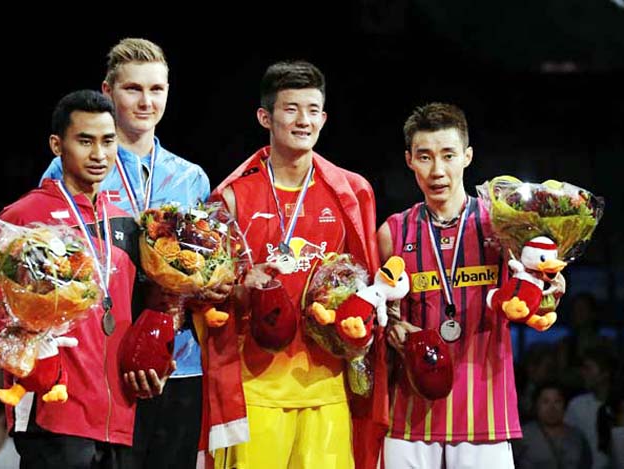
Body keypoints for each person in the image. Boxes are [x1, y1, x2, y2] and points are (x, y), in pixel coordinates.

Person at [39, 38, 211, 468]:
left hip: (179, 363)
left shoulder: (191, 178)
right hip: (102, 368)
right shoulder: (70, 168)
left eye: (157, 89)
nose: (146, 101)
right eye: (133, 89)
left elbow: (206, 265)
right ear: (108, 91)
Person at [210, 60, 380, 468]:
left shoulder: (351, 194)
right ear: (265, 117)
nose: (303, 121)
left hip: (327, 386)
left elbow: (368, 283)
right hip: (256, 389)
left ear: (323, 117)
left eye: (312, 110)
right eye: (290, 109)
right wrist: (241, 284)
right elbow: (209, 297)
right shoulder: (233, 197)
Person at [0, 89, 139, 468]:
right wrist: (19, 349)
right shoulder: (25, 218)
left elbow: (136, 308)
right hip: (52, 410)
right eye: (84, 141)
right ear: (57, 145)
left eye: (108, 141)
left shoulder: (124, 220)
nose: (99, 154)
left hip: (118, 416)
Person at [378, 102, 519, 468]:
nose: (437, 171)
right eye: (425, 157)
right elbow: (378, 310)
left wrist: (551, 285)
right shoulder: (392, 232)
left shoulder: (501, 227)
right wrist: (391, 326)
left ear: (467, 156)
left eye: (448, 155)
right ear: (409, 159)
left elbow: (538, 294)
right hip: (408, 418)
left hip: (485, 416)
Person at [513, 381, 592, 469]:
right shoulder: (523, 436)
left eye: (557, 402)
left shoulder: (577, 436)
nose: (552, 408)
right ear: (536, 405)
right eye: (545, 402)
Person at [564, 343, 617, 469]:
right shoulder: (577, 405)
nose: (583, 373)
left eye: (588, 368)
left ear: (605, 373)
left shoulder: (619, 406)